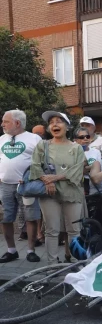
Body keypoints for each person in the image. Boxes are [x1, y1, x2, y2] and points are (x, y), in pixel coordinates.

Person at [29, 111, 85, 265]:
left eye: (59, 121)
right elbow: (35, 166)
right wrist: (47, 181)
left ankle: (75, 261)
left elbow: (78, 170)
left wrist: (55, 177)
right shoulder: (43, 145)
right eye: (52, 122)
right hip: (49, 192)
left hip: (72, 192)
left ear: (67, 127)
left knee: (74, 230)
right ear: (48, 128)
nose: (55, 124)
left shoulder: (76, 148)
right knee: (52, 231)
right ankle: (52, 264)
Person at [0, 110, 43, 263]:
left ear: (17, 123)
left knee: (31, 218)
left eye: (6, 121)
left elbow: (43, 161)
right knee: (6, 218)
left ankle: (31, 251)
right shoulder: (1, 139)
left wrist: (34, 178)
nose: (2, 124)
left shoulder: (34, 138)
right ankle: (11, 250)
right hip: (5, 186)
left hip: (27, 186)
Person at [74, 127, 101, 195]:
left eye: (87, 136)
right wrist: (93, 167)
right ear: (76, 140)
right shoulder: (72, 153)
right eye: (82, 137)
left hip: (95, 183)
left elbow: (100, 167)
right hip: (79, 184)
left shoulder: (96, 152)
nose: (85, 139)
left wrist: (88, 167)